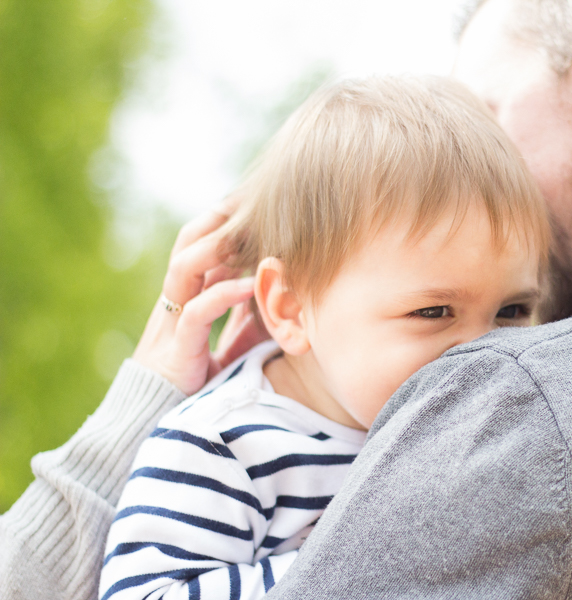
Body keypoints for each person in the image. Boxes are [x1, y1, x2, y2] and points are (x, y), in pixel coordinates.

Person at [2, 0, 572, 597]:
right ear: (289, 303)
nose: (474, 188)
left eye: (490, 116)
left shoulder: (523, 406)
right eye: (434, 309)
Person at [97, 75, 548, 600]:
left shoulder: (495, 424)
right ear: (290, 307)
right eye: (433, 311)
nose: (482, 351)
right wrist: (352, 570)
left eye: (512, 310)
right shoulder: (226, 446)